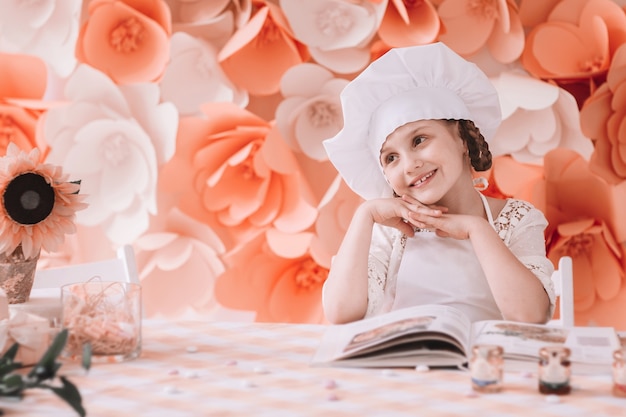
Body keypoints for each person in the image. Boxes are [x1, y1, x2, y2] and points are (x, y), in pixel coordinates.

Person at [322, 42, 555, 325]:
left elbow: (530, 315)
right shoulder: (390, 233)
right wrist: (365, 215)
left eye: (419, 140)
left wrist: (476, 228)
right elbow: (340, 313)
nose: (409, 165)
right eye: (391, 158)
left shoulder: (516, 220)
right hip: (403, 363)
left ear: (462, 140)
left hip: (480, 364)